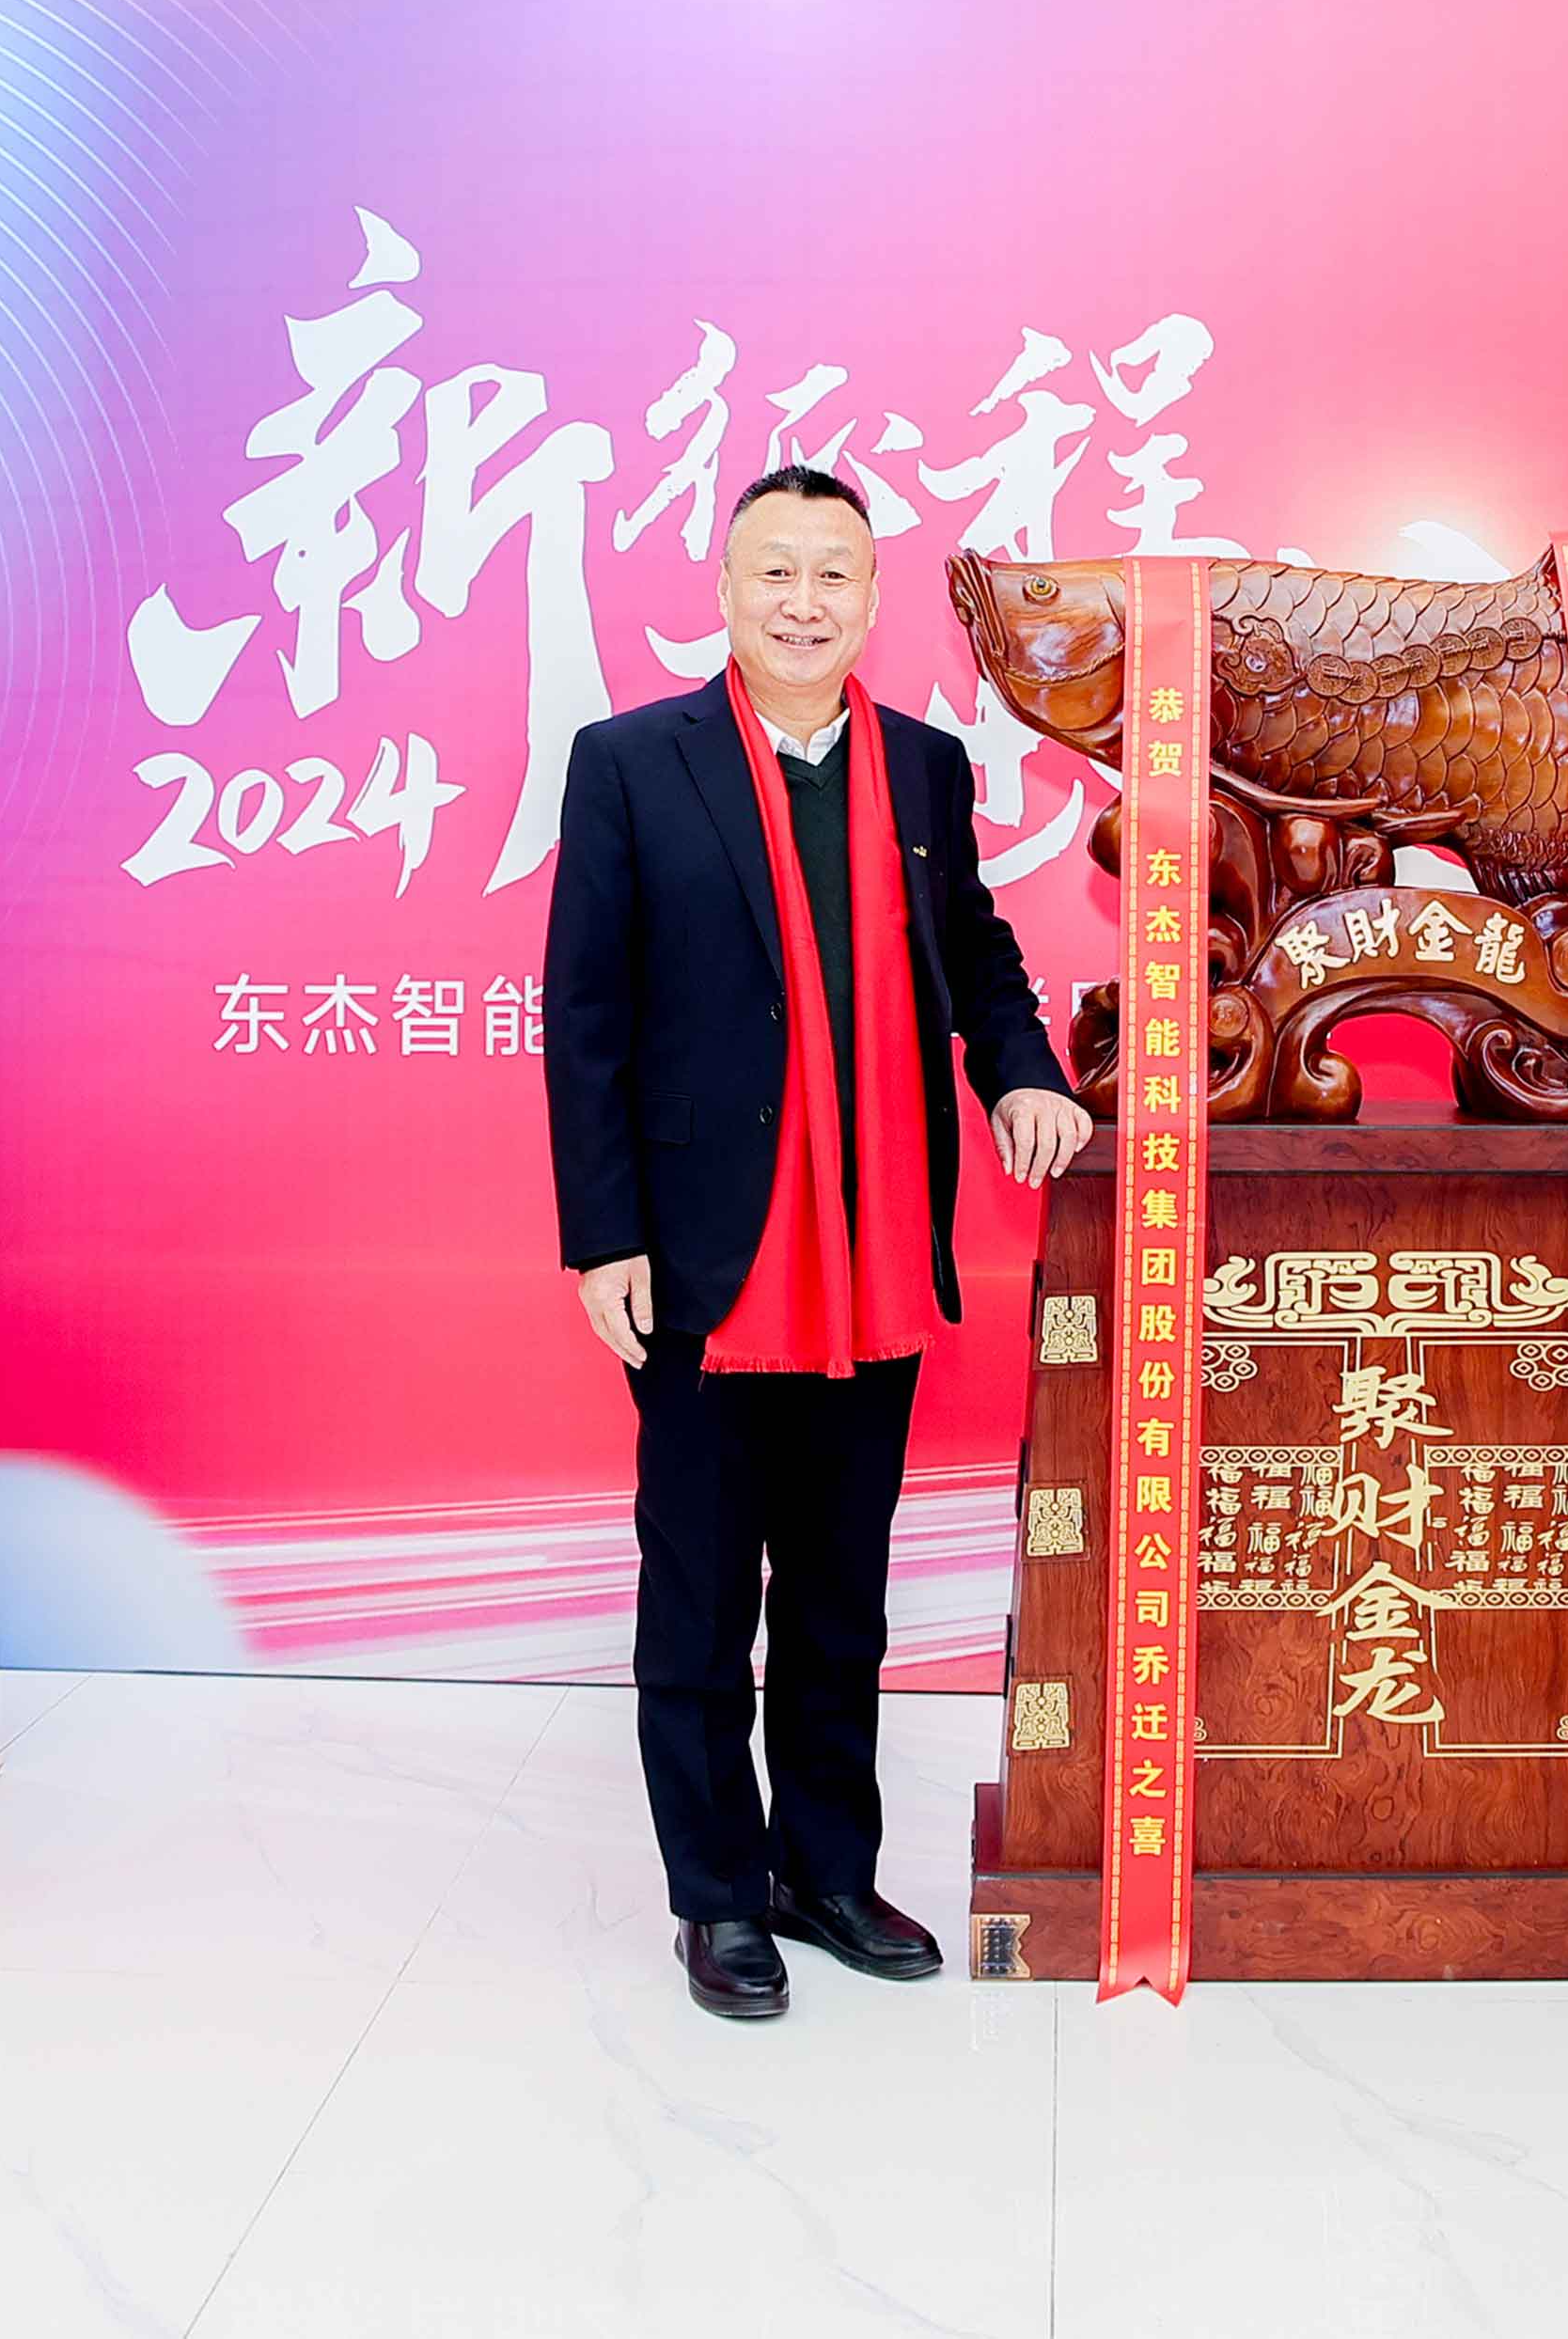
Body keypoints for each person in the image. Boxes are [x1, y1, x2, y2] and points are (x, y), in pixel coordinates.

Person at [545, 464, 1091, 2022]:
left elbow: (975, 950)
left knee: (843, 1595)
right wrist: (603, 1237)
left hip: (874, 1253)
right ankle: (719, 1895)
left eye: (833, 575)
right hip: (704, 1259)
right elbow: (585, 1016)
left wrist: (1025, 1072)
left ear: (871, 598)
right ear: (726, 590)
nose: (804, 602)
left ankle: (826, 1872)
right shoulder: (631, 761)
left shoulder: (921, 767)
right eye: (775, 571)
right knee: (704, 1598)